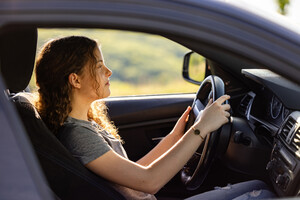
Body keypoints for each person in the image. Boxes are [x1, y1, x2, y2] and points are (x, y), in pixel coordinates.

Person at [35, 36, 275, 200]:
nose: (109, 71)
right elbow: (148, 181)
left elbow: (133, 172)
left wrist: (175, 136)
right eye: (99, 67)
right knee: (263, 192)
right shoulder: (78, 135)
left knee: (259, 188)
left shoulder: (84, 123)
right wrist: (201, 128)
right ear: (75, 80)